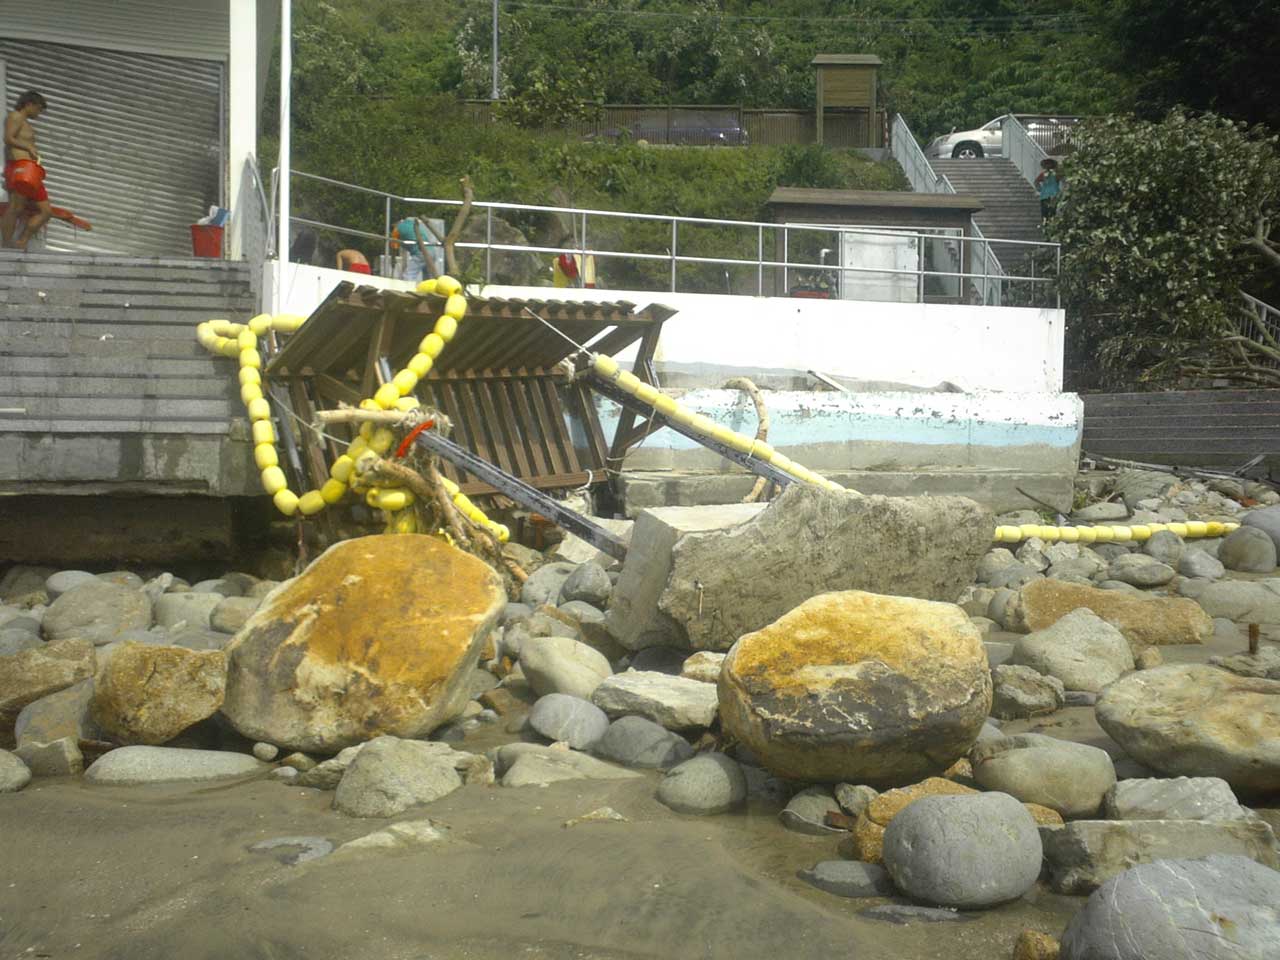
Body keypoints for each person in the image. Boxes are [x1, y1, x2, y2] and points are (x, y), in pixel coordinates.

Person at [1, 90, 53, 250]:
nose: (39, 113)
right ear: (29, 104)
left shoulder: (23, 120)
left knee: (46, 211)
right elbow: (8, 138)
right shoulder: (15, 116)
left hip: (30, 171)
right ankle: (7, 245)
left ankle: (22, 241)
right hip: (21, 169)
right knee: (15, 207)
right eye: (38, 109)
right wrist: (28, 146)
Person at [1035, 158, 1063, 223]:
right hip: (1044, 196)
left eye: (1049, 163)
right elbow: (1036, 181)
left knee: (1052, 212)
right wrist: (1040, 189)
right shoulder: (1043, 174)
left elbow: (1062, 179)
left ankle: (1051, 226)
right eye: (1047, 164)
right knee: (1044, 213)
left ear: (1052, 165)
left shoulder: (1056, 174)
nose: (1048, 165)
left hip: (1053, 195)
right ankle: (1045, 226)